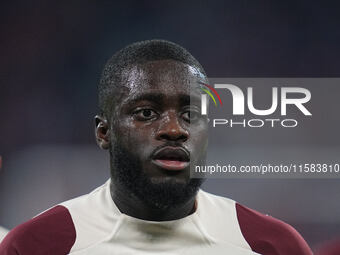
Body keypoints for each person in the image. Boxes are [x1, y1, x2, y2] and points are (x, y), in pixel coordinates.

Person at [0, 40, 313, 254]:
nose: (174, 130)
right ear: (103, 132)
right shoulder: (37, 245)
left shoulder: (272, 246)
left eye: (191, 114)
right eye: (146, 113)